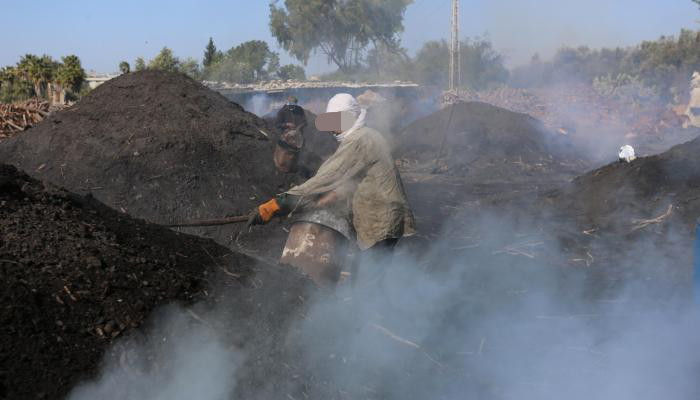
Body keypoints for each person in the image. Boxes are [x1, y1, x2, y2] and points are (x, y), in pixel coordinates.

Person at [248, 93, 415, 262]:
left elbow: (326, 178)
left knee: (369, 277)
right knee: (371, 272)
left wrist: (277, 204)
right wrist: (326, 199)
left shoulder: (358, 141)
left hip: (380, 218)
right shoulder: (367, 134)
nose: (331, 128)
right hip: (385, 214)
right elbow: (355, 178)